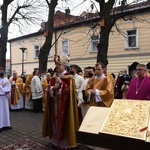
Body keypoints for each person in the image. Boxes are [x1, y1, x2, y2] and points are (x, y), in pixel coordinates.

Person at [42, 54, 79, 150]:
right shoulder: (54, 77)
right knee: (54, 123)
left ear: (64, 65)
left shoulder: (69, 77)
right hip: (54, 105)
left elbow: (70, 93)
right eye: (57, 65)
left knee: (64, 124)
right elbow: (49, 90)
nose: (57, 67)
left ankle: (64, 143)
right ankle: (55, 142)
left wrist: (61, 84)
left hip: (65, 107)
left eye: (59, 65)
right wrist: (53, 88)